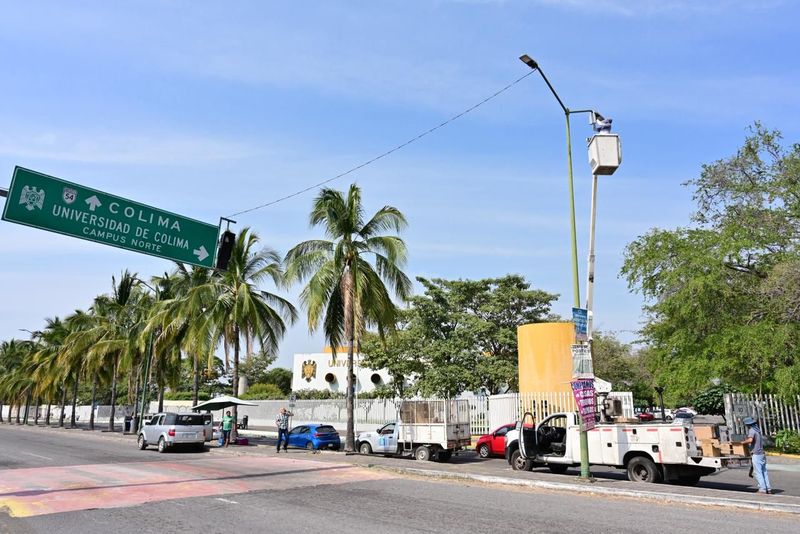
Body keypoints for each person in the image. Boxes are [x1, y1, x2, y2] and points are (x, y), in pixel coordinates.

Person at [742, 416, 771, 494]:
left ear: (748, 424)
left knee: (758, 472)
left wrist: (742, 442)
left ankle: (762, 489)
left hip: (756, 454)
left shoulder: (752, 430)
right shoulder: (757, 430)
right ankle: (768, 488)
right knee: (764, 471)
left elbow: (750, 440)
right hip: (762, 454)